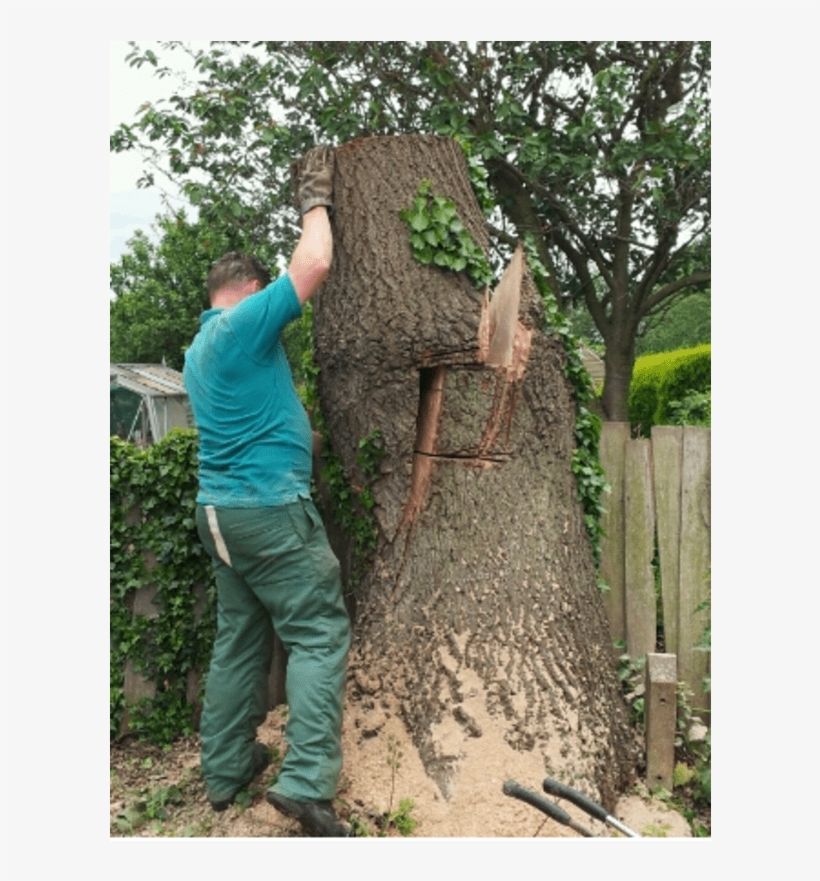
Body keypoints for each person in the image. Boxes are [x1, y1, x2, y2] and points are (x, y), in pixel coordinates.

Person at [182, 146, 352, 837]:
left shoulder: (201, 348)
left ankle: (225, 770)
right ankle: (308, 783)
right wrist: (316, 199)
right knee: (317, 632)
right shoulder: (242, 322)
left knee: (240, 640)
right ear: (251, 289)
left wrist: (305, 438)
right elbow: (312, 263)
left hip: (220, 514)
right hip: (266, 510)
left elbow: (254, 420)